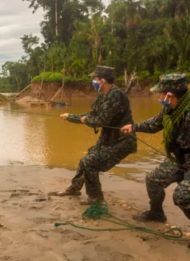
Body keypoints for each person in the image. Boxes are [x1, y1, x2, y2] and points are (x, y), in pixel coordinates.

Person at [121, 74, 190, 250]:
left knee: (182, 195)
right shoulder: (171, 109)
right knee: (153, 180)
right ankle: (156, 213)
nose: (158, 97)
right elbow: (155, 124)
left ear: (169, 95)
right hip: (180, 161)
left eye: (160, 93)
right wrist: (134, 127)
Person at [52, 65, 137, 205]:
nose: (93, 81)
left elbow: (100, 121)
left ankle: (96, 199)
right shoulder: (102, 96)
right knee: (85, 159)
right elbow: (91, 115)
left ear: (102, 81)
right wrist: (70, 117)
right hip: (107, 140)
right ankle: (74, 188)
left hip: (121, 142)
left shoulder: (116, 95)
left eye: (95, 79)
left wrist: (86, 120)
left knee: (90, 162)